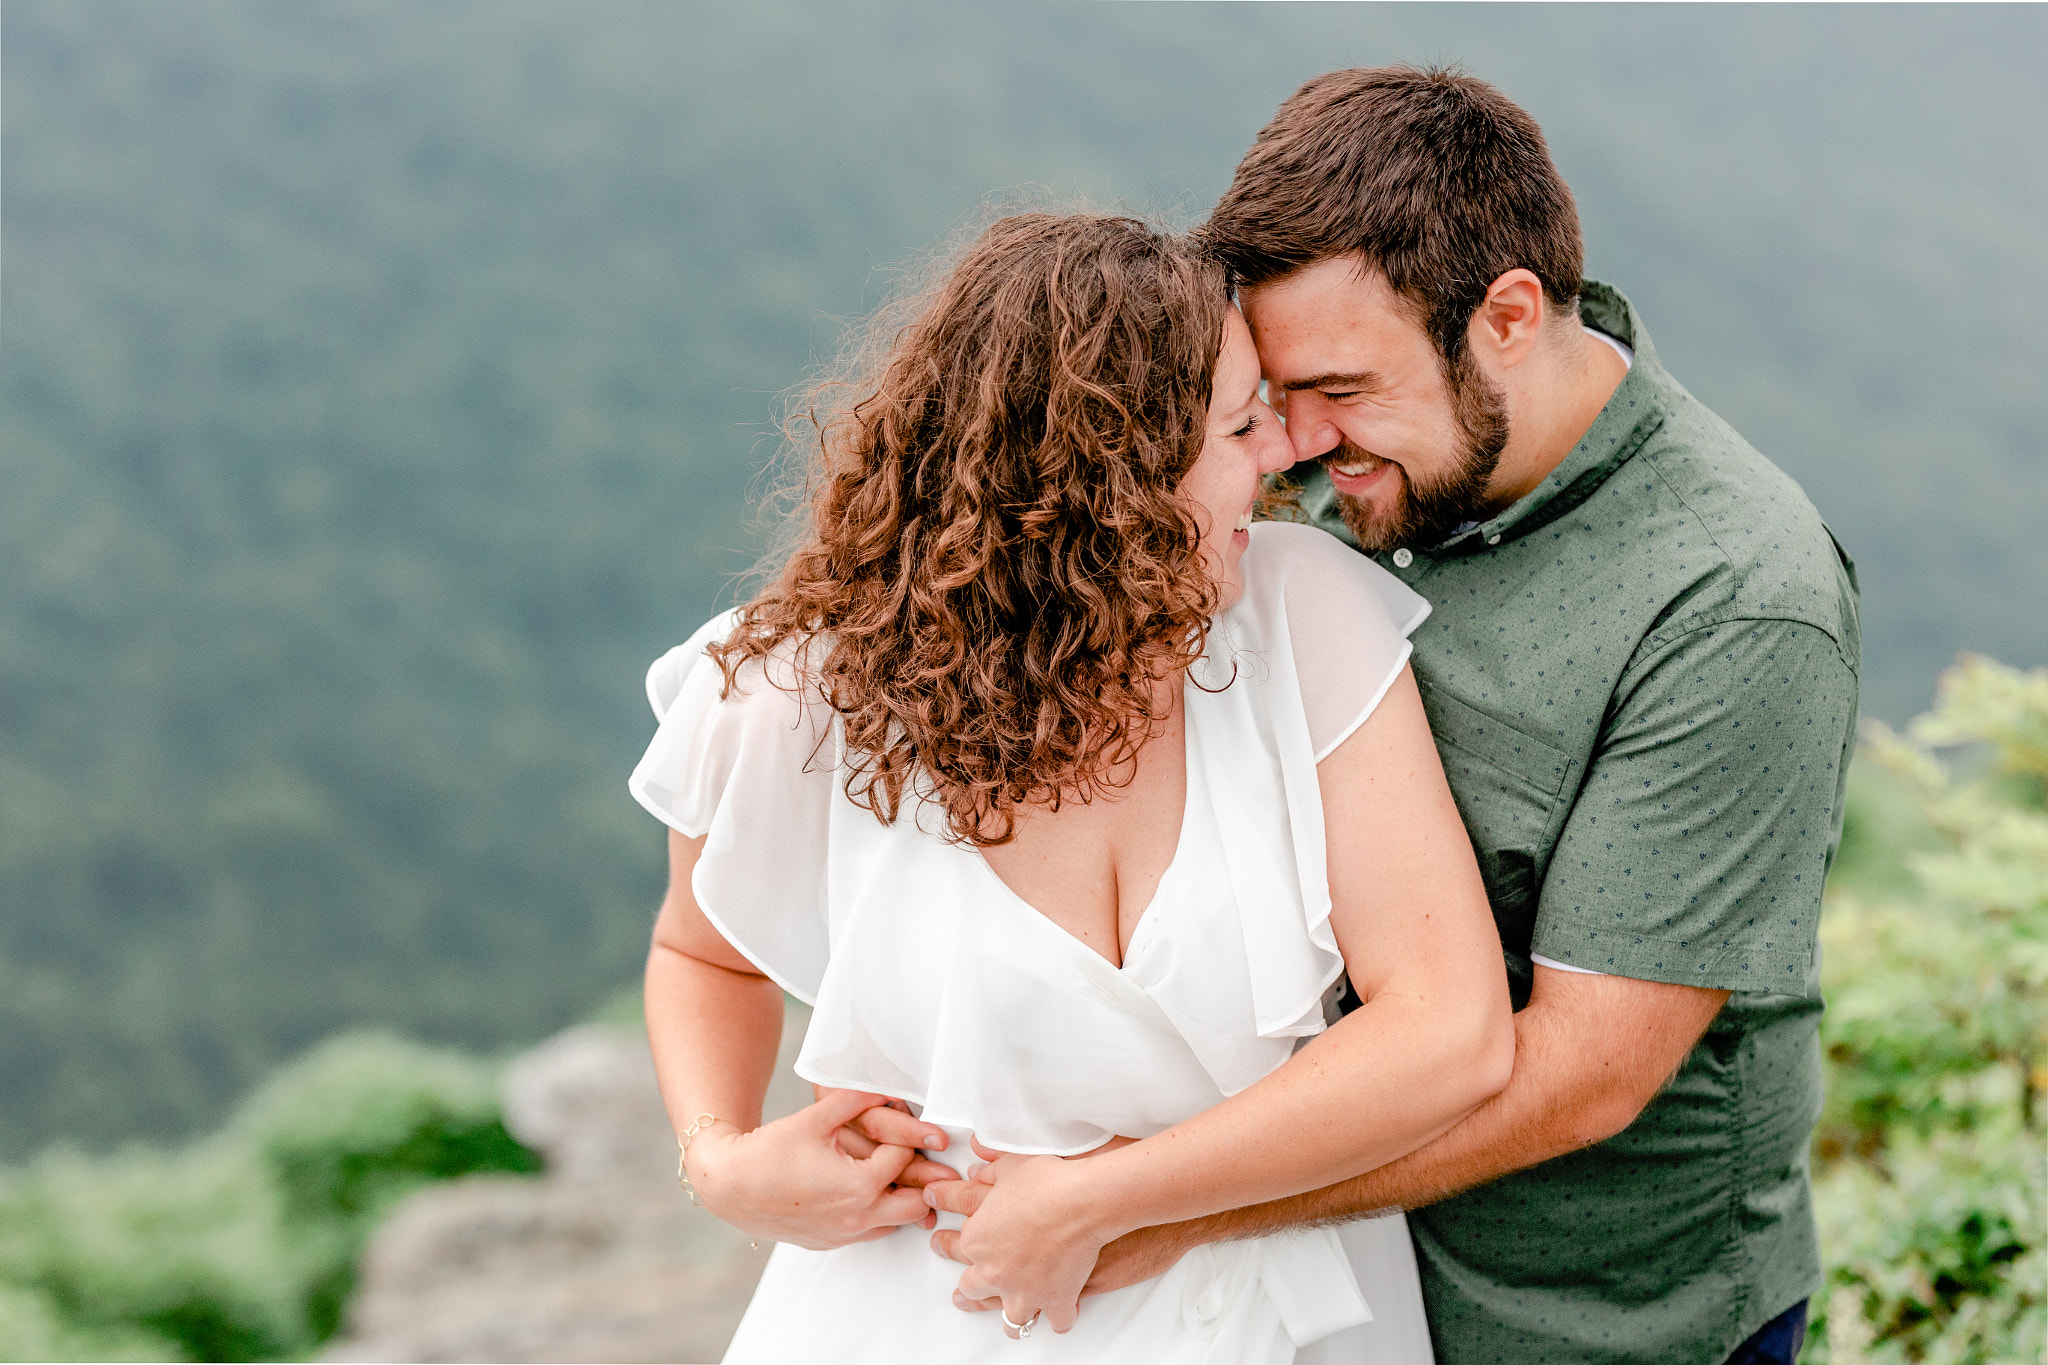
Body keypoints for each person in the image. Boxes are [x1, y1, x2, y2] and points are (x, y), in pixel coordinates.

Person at [933, 67, 1861, 1365]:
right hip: (1320, 1298)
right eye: (1271, 393)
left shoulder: (1737, 596)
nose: (1296, 444)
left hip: (1589, 1323)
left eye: (1341, 390)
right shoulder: (1332, 465)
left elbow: (1588, 1071)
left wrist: (1161, 1210)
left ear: (1511, 318)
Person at [631, 212, 1514, 1361]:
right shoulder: (791, 689)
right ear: (1111, 480)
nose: (1284, 452)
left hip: (1278, 1314)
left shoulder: (1304, 617)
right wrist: (721, 1159)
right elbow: (704, 952)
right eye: (1239, 423)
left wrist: (1113, 1199)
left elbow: (1449, 1029)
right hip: (928, 1309)